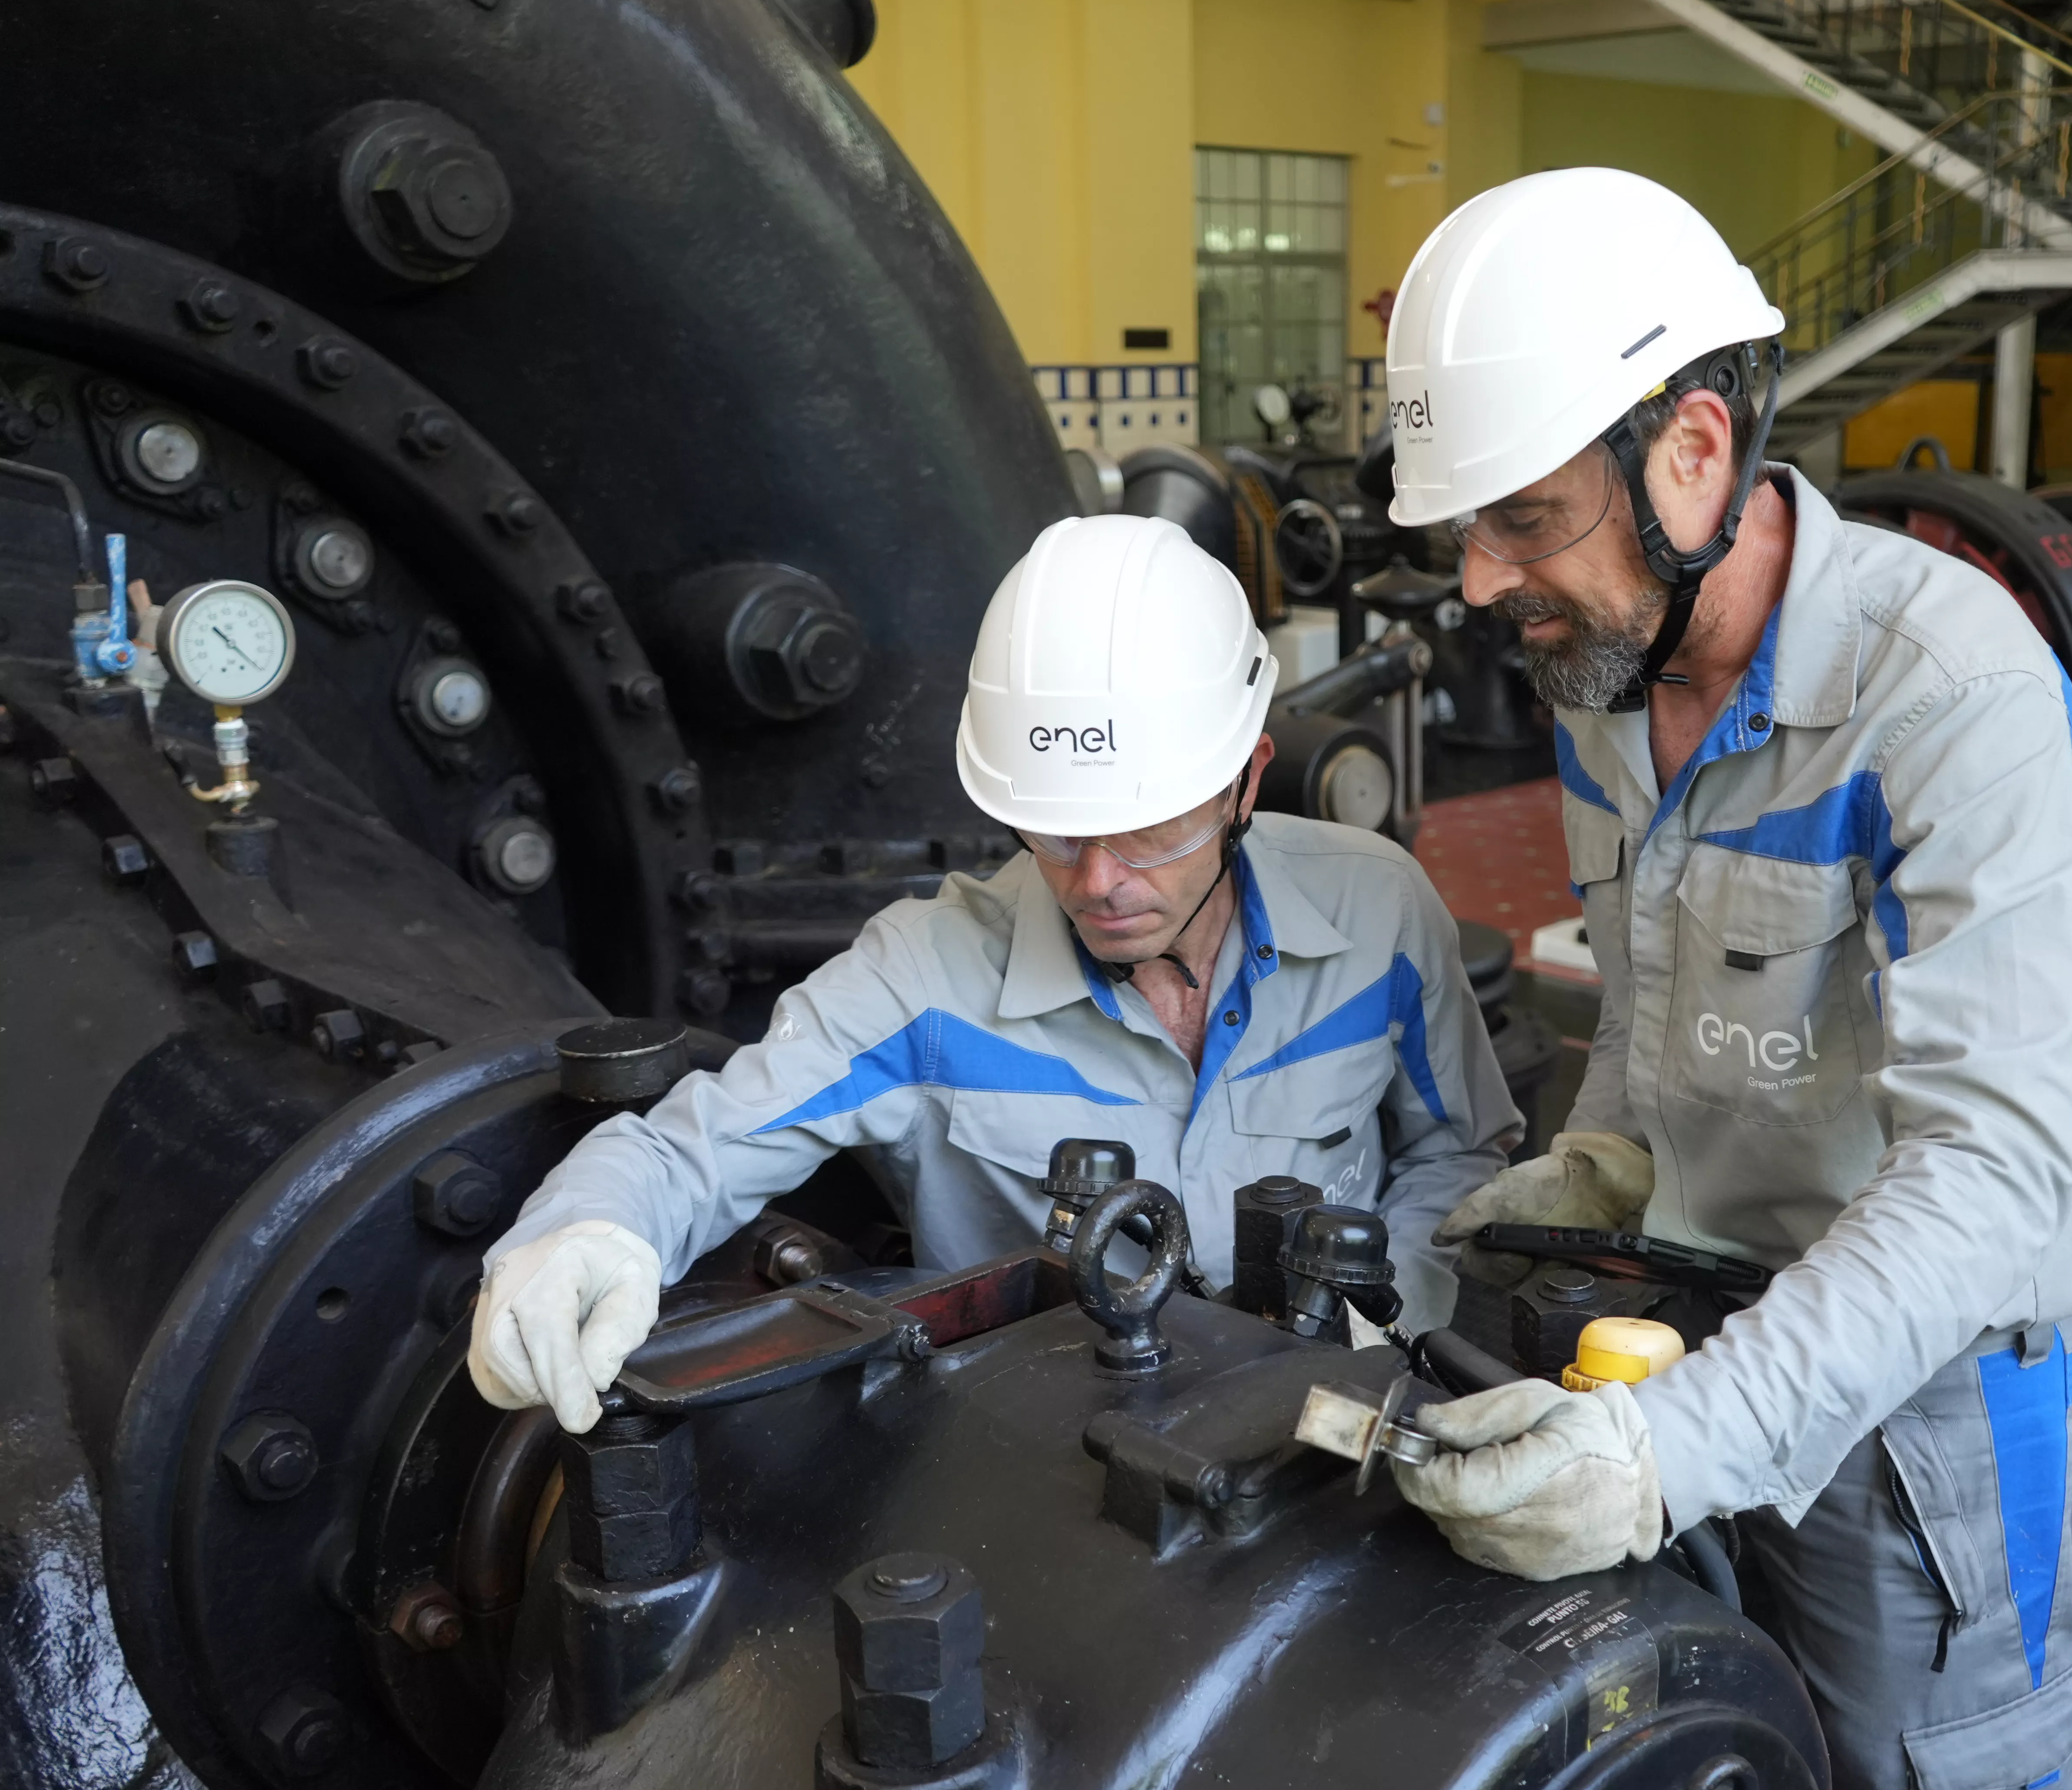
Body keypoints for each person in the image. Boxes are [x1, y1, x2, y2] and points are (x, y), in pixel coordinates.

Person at [1379, 169, 2072, 1790]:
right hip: (1694, 1332)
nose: (1481, 579)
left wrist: (1665, 1453)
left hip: (1932, 1414)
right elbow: (1657, 1009)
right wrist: (1602, 1159)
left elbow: (1991, 1171)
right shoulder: (1602, 675)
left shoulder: (1946, 691)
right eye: (1470, 526)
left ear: (1693, 451)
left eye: (1522, 516)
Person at [468, 513, 1521, 1433]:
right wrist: (583, 1235)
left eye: (1146, 829)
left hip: (1334, 1436)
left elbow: (1457, 1150)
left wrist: (1372, 1324)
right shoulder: (923, 981)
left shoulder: (1378, 912)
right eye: (1055, 831)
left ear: (1246, 780)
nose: (1098, 881)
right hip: (1043, 1486)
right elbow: (689, 1150)